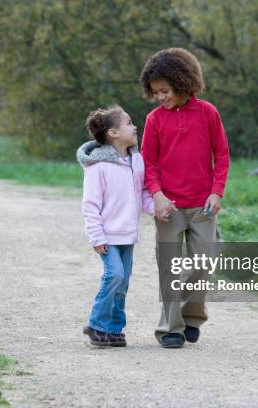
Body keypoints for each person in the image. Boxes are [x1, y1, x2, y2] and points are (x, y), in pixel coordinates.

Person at [140, 47, 230, 348]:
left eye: (164, 90)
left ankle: (191, 316)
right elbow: (148, 163)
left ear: (182, 82)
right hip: (169, 207)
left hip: (203, 206)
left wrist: (217, 191)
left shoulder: (208, 113)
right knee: (169, 268)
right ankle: (171, 329)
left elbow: (223, 155)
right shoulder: (154, 120)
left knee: (205, 260)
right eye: (155, 93)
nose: (160, 97)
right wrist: (157, 196)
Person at [77, 105, 156, 347]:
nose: (135, 127)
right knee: (115, 275)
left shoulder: (136, 161)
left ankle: (114, 330)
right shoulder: (98, 166)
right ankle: (96, 325)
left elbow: (141, 195)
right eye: (129, 123)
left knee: (122, 283)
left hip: (128, 235)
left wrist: (158, 208)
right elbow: (90, 205)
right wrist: (96, 236)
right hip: (107, 236)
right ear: (113, 133)